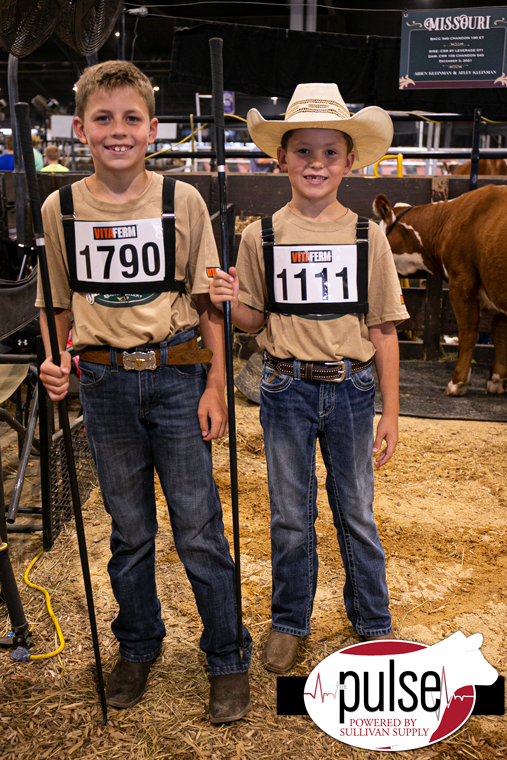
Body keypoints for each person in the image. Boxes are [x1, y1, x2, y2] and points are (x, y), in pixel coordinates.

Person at [36, 60, 251, 720]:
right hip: (102, 383)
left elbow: (210, 301)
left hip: (177, 374)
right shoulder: (60, 207)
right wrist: (54, 360)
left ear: (152, 129)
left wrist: (217, 383)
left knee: (199, 528)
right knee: (128, 531)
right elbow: (56, 302)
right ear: (81, 129)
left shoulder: (181, 201)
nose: (118, 130)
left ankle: (226, 656)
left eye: (131, 118)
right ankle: (137, 645)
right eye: (104, 119)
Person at [210, 83, 409, 674]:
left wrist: (391, 413)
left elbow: (384, 327)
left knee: (356, 510)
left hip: (351, 390)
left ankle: (372, 621)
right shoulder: (260, 235)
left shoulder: (366, 234)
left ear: (350, 160)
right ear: (282, 159)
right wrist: (227, 300)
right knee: (290, 512)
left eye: (329, 152)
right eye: (303, 151)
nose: (315, 163)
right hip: (284, 388)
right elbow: (254, 318)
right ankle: (290, 620)